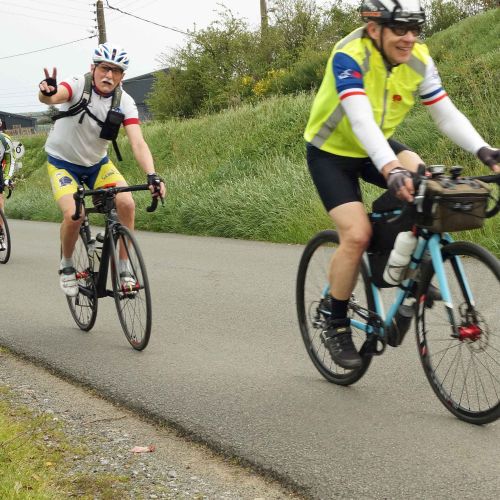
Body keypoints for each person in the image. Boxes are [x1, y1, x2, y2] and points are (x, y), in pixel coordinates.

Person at [303, 0, 500, 369]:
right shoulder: (349, 55)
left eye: (415, 29)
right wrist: (391, 168)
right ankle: (335, 320)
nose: (410, 38)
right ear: (374, 29)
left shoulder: (418, 58)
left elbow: (445, 113)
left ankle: (408, 269)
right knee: (356, 235)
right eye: (400, 29)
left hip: (377, 145)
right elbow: (360, 120)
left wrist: (484, 150)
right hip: (331, 153)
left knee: (429, 188)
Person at [38, 42, 166, 296]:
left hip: (97, 164)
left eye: (115, 71)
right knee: (74, 215)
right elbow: (53, 97)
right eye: (105, 68)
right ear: (93, 68)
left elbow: (138, 142)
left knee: (127, 203)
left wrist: (152, 175)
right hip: (63, 163)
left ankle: (124, 268)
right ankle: (66, 264)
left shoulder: (124, 101)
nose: (109, 75)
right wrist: (46, 93)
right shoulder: (78, 85)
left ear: (122, 76)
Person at [0, 125, 16, 251]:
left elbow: (10, 161)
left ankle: (0, 234)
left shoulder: (5, 140)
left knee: (0, 201)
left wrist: (7, 178)